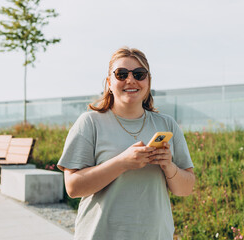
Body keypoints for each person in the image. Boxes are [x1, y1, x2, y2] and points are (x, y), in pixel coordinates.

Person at [57, 47, 195, 240]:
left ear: (148, 82)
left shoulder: (167, 124)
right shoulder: (89, 123)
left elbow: (186, 188)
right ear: (109, 83)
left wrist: (168, 165)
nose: (130, 80)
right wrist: (122, 162)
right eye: (121, 74)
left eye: (139, 74)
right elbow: (73, 187)